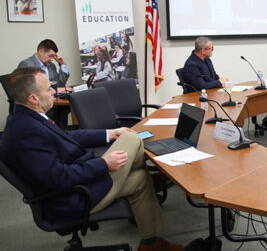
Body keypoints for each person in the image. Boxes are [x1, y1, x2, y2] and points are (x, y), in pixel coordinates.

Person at [0, 68, 182, 251]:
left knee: (141, 179)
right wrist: (104, 163)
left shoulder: (25, 118)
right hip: (72, 197)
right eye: (48, 89)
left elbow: (66, 136)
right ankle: (163, 173)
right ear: (33, 98)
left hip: (78, 184)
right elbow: (57, 178)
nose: (54, 91)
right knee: (132, 138)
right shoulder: (26, 132)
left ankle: (150, 243)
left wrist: (109, 133)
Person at [18, 39, 71, 128]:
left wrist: (62, 64)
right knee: (57, 109)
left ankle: (61, 134)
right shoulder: (26, 65)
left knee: (65, 108)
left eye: (53, 57)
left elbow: (60, 83)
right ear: (41, 51)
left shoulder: (51, 66)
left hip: (52, 99)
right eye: (50, 56)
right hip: (38, 103)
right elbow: (28, 90)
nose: (51, 59)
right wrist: (56, 90)